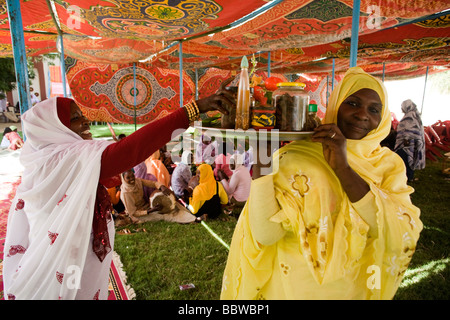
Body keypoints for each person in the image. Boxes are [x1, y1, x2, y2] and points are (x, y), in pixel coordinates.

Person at [3, 79, 234, 300]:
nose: (85, 122)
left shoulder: (43, 158)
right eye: (75, 118)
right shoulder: (67, 157)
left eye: (83, 115)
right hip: (62, 258)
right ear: (53, 129)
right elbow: (130, 150)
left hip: (61, 253)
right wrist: (193, 110)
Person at [221, 67, 422, 300]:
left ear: (383, 117)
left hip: (352, 290)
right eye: (353, 104)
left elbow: (397, 232)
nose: (362, 115)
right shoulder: (296, 157)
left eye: (374, 109)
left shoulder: (389, 166)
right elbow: (265, 235)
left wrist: (343, 168)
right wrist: (263, 159)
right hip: (293, 289)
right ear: (336, 105)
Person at [394, 99, 425, 182]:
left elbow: (408, 130)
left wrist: (406, 142)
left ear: (406, 106)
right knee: (410, 159)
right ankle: (409, 176)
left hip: (406, 144)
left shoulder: (409, 117)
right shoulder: (415, 115)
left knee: (404, 160)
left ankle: (406, 177)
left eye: (402, 107)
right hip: (412, 143)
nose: (401, 109)